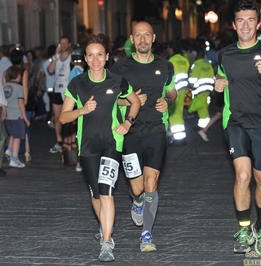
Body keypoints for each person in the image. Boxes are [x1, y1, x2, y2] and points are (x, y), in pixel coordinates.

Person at [214, 0, 261, 255]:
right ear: (233, 25)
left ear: (258, 23)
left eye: (250, 20)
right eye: (240, 20)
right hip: (236, 123)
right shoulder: (225, 54)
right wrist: (218, 84)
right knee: (243, 176)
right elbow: (221, 77)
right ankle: (244, 229)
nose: (245, 25)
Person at [60, 33, 140, 262]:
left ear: (106, 58)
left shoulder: (117, 81)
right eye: (91, 55)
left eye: (100, 55)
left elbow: (134, 101)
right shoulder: (77, 83)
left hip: (111, 144)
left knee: (107, 192)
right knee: (96, 194)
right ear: (85, 58)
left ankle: (107, 242)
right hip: (87, 146)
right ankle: (104, 226)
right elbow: (64, 118)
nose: (95, 60)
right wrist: (82, 110)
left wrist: (127, 123)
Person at [111, 21, 177, 252]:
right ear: (132, 38)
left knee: (151, 183)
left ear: (153, 38)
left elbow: (172, 90)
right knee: (137, 188)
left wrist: (167, 101)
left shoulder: (165, 65)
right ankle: (137, 201)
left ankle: (146, 235)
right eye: (138, 35)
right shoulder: (120, 67)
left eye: (146, 35)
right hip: (130, 132)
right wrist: (130, 100)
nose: (142, 39)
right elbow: (108, 98)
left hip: (156, 130)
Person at [48, 36, 72, 154]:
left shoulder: (72, 58)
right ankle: (59, 141)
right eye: (61, 43)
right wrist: (56, 56)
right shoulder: (56, 58)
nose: (63, 46)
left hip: (68, 91)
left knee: (69, 118)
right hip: (57, 90)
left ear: (69, 44)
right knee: (57, 118)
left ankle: (70, 141)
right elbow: (50, 70)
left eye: (65, 43)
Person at [3, 65, 31, 168]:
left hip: (8, 115)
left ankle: (9, 150)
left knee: (13, 134)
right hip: (17, 115)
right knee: (18, 137)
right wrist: (25, 118)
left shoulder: (4, 86)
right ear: (19, 76)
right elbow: (21, 103)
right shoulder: (19, 87)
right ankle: (14, 159)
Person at [165, 39, 190, 143]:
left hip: (174, 90)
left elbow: (169, 76)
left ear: (171, 49)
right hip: (183, 89)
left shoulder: (171, 60)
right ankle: (181, 136)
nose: (167, 50)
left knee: (174, 114)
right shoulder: (184, 59)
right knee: (179, 113)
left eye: (168, 48)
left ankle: (178, 138)